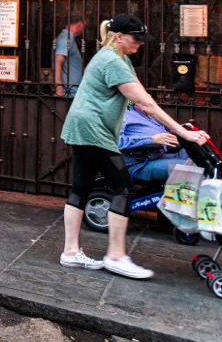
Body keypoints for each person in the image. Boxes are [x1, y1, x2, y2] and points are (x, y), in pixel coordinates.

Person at [59, 14, 208, 280]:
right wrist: (182, 133)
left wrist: (174, 127)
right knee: (124, 188)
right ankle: (115, 256)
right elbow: (147, 103)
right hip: (94, 130)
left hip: (81, 126)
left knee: (80, 189)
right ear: (119, 37)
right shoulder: (112, 61)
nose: (140, 44)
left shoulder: (117, 57)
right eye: (136, 39)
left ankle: (70, 252)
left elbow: (142, 100)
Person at [117, 102, 187, 183]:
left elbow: (159, 137)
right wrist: (151, 139)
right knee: (194, 169)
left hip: (169, 154)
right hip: (142, 163)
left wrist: (180, 132)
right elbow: (119, 142)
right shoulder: (122, 114)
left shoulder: (144, 113)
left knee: (202, 160)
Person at [55, 15, 86, 97]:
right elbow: (57, 62)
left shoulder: (67, 38)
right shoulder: (66, 39)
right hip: (68, 93)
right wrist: (59, 89)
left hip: (72, 92)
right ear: (80, 24)